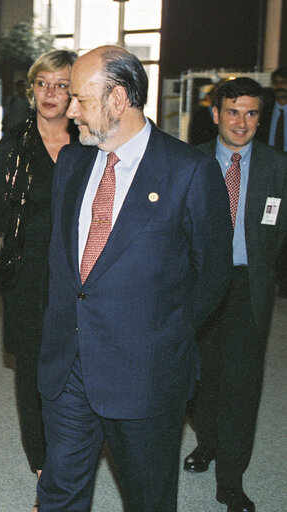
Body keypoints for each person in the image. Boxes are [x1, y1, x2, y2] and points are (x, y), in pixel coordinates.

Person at [36, 45, 233, 512]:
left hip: (145, 372)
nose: (70, 109)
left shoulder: (189, 170)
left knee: (147, 498)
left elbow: (214, 274)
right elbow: (62, 263)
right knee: (59, 491)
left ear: (119, 99)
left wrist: (161, 333)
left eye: (81, 98)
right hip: (68, 364)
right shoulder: (72, 162)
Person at [0, 49, 78, 512]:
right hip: (28, 276)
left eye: (61, 85)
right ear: (30, 90)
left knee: (77, 376)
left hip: (83, 278)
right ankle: (47, 478)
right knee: (32, 376)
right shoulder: (13, 146)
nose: (50, 94)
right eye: (42, 84)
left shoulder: (93, 143)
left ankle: (70, 465)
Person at [184, 77, 287, 512]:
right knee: (198, 380)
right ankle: (207, 441)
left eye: (251, 113)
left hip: (248, 286)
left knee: (242, 386)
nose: (241, 122)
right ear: (215, 114)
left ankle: (231, 480)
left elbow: (279, 231)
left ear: (260, 118)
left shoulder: (278, 165)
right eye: (233, 111)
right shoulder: (191, 161)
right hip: (201, 285)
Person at [256, 66, 287, 297]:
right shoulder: (263, 113)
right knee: (268, 222)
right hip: (267, 176)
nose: (281, 89)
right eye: (277, 84)